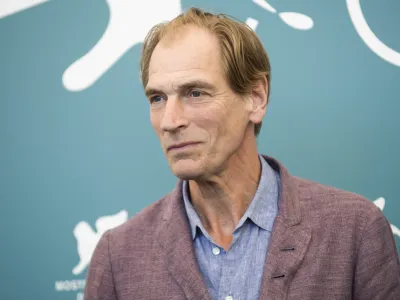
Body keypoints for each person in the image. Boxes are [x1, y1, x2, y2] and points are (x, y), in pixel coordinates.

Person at [84, 7, 400, 300]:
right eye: (157, 98)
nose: (170, 121)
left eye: (195, 93)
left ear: (256, 98)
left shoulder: (354, 230)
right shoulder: (118, 256)